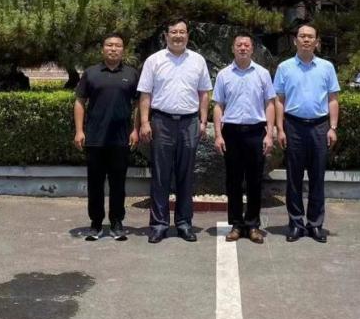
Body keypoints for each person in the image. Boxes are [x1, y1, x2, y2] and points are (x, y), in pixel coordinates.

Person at [138, 17, 213, 243]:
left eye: (182, 32)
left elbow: (204, 93)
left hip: (189, 122)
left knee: (186, 175)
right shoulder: (154, 60)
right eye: (174, 32)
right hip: (162, 121)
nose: (178, 36)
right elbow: (145, 94)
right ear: (166, 35)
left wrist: (203, 121)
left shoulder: (198, 61)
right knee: (160, 175)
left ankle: (184, 223)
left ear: (187, 35)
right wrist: (144, 122)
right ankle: (159, 225)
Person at [273, 22, 340, 243]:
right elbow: (279, 100)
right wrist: (280, 128)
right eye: (302, 36)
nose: (306, 40)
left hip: (320, 127)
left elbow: (333, 99)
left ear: (317, 42)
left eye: (310, 36)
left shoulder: (326, 67)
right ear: (295, 41)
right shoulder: (284, 68)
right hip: (293, 127)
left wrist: (332, 128)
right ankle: (295, 223)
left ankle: (315, 224)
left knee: (317, 177)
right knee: (293, 178)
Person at [74, 33, 139, 241]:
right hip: (95, 138)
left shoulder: (131, 74)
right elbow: (80, 101)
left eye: (117, 46)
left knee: (118, 184)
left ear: (123, 50)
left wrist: (135, 129)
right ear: (103, 49)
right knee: (95, 184)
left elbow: (139, 104)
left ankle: (117, 222)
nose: (113, 49)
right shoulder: (91, 73)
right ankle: (96, 223)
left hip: (121, 139)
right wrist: (79, 131)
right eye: (109, 45)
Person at [213, 32, 275, 244]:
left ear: (252, 49)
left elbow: (269, 104)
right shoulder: (224, 75)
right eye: (239, 45)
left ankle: (253, 225)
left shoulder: (262, 74)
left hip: (256, 131)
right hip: (231, 132)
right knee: (233, 181)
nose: (242, 48)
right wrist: (218, 135)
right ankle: (237, 225)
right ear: (233, 48)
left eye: (246, 45)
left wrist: (269, 133)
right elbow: (218, 105)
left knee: (255, 180)